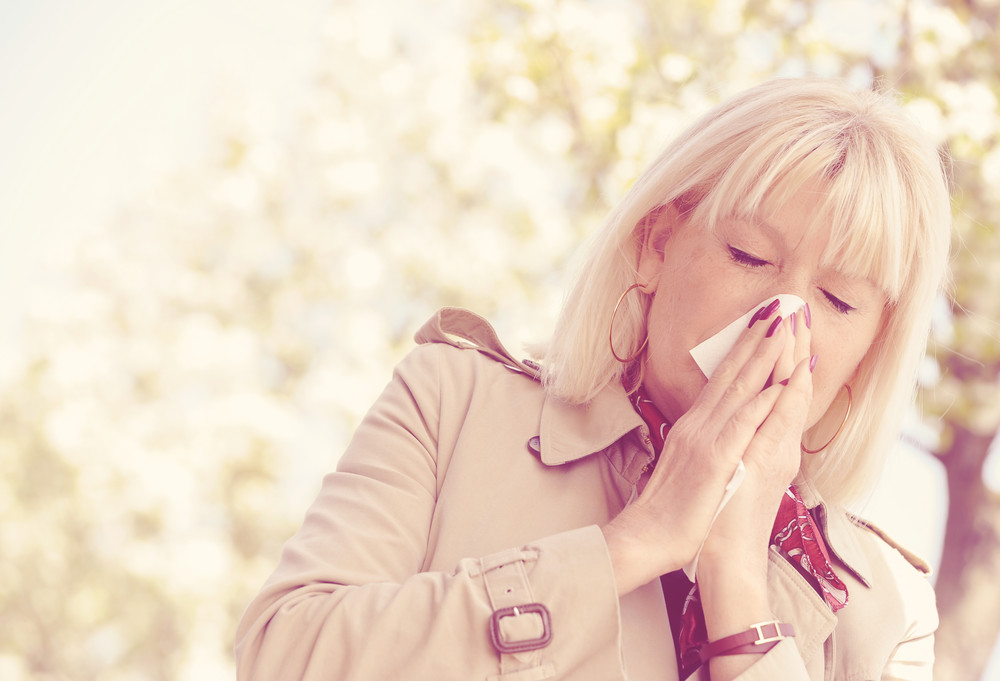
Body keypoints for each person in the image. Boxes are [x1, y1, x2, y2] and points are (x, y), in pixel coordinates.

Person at [236, 78, 951, 681]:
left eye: (837, 301)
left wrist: (736, 575)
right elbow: (286, 652)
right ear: (657, 245)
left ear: (868, 351)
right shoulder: (454, 401)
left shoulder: (889, 605)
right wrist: (629, 545)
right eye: (747, 255)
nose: (781, 316)